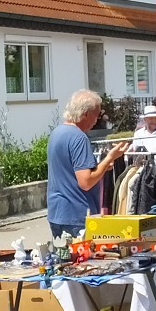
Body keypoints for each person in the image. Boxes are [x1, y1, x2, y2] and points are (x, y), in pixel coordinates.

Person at [47, 89, 129, 238]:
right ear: (86, 114)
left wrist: (102, 168)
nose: (97, 120)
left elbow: (69, 170)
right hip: (77, 214)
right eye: (96, 115)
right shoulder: (79, 137)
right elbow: (86, 181)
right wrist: (111, 157)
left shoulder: (57, 132)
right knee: (84, 260)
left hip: (57, 212)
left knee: (63, 259)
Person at [132, 104, 156, 200]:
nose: (154, 121)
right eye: (151, 119)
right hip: (143, 173)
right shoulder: (138, 134)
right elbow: (136, 151)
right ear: (145, 120)